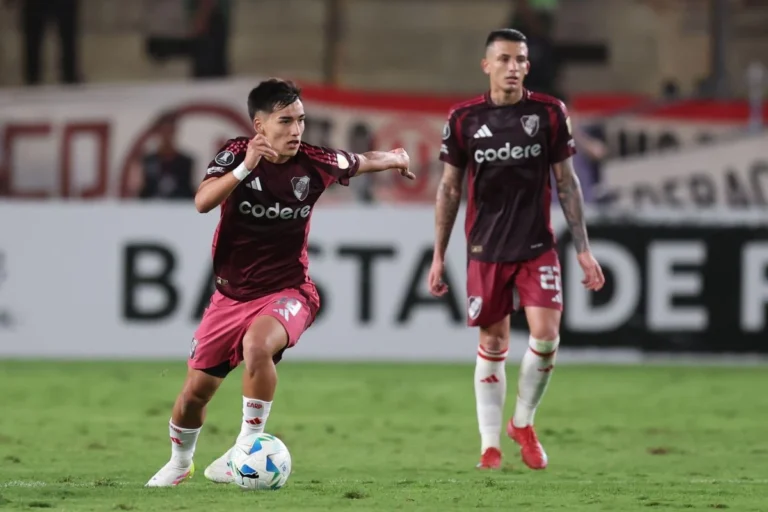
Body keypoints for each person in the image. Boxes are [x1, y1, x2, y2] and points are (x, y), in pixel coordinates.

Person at [146, 78, 413, 487]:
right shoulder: (235, 153)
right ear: (260, 126)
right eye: (286, 121)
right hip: (230, 297)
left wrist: (396, 157)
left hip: (290, 291)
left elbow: (361, 161)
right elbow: (203, 202)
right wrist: (244, 168)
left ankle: (247, 446)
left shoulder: (315, 162)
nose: (296, 130)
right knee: (193, 396)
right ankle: (181, 462)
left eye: (301, 120)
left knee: (258, 346)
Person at [427, 29, 605, 471]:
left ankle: (522, 423)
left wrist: (583, 249)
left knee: (546, 335)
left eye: (521, 59)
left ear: (528, 66)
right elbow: (449, 190)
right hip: (486, 247)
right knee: (494, 341)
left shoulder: (548, 113)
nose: (513, 67)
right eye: (504, 59)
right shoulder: (464, 119)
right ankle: (490, 444)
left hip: (537, 245)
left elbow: (567, 182)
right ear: (486, 65)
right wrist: (437, 256)